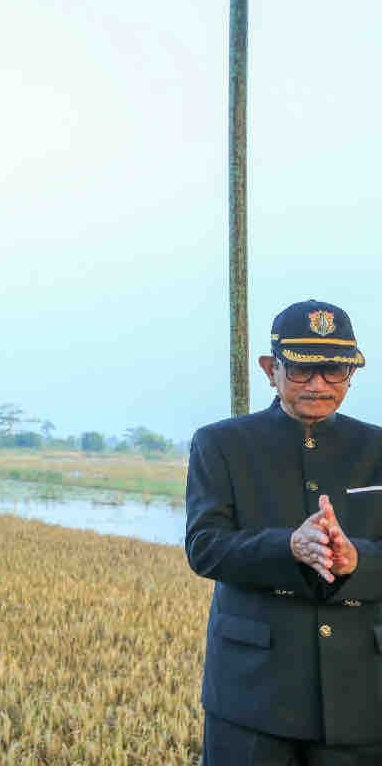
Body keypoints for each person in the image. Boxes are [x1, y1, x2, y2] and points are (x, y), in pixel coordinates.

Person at [186, 299, 382, 763]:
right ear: (270, 368)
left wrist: (358, 561)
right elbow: (204, 546)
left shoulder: (377, 448)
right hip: (252, 694)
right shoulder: (221, 444)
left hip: (363, 697)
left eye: (334, 370)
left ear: (351, 372)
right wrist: (288, 547)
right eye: (301, 371)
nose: (318, 384)